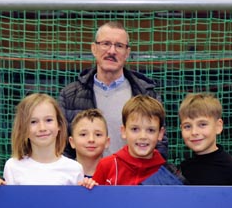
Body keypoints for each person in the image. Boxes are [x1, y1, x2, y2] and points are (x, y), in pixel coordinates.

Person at [58, 21, 161, 157]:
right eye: (106, 44)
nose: (112, 51)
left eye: (119, 46)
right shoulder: (70, 95)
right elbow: (62, 145)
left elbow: (160, 144)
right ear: (94, 48)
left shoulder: (147, 93)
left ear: (127, 53)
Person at [92, 96, 183, 187]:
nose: (143, 136)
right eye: (135, 129)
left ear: (160, 134)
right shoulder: (107, 166)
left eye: (150, 130)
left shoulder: (168, 174)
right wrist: (88, 186)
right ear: (124, 131)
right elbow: (92, 195)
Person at [177, 92, 232, 186]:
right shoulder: (183, 169)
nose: (194, 132)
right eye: (187, 126)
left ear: (218, 126)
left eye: (202, 124)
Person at [66, 108, 110, 179]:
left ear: (107, 142)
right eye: (83, 134)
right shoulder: (63, 174)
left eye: (98, 134)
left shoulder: (115, 174)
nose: (91, 139)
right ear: (72, 142)